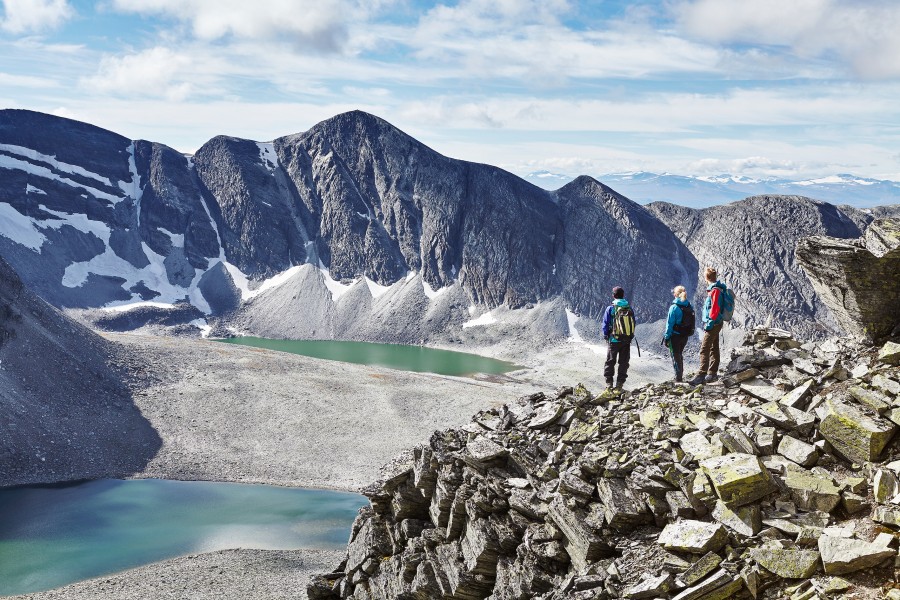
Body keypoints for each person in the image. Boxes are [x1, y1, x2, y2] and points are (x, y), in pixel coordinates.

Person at [688, 267, 727, 385]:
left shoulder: (715, 290)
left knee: (704, 349)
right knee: (714, 347)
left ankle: (701, 375)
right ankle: (712, 373)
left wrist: (709, 323)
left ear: (706, 277)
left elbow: (715, 309)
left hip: (713, 323)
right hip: (716, 322)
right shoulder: (716, 289)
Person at [601, 286, 635, 390]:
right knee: (624, 362)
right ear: (623, 295)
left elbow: (605, 324)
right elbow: (634, 322)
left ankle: (609, 384)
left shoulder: (611, 308)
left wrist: (606, 335)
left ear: (613, 295)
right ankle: (620, 384)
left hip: (614, 339)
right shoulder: (629, 308)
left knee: (610, 361)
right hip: (626, 340)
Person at [663, 285, 693, 382]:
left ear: (676, 294)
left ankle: (678, 378)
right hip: (685, 336)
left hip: (675, 336)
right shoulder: (689, 306)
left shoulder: (674, 307)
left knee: (675, 356)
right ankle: (680, 375)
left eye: (674, 292)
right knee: (679, 355)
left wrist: (666, 337)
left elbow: (669, 324)